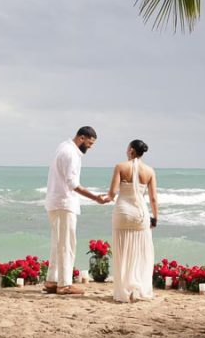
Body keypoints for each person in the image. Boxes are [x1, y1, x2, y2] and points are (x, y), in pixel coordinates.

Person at [44, 126, 109, 295]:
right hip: (64, 203)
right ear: (81, 138)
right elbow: (72, 183)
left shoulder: (63, 146)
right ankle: (64, 284)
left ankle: (52, 281)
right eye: (89, 143)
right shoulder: (71, 153)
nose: (90, 147)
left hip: (55, 202)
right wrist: (95, 197)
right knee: (67, 244)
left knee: (58, 243)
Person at [106, 139, 158, 303]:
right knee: (141, 254)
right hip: (140, 215)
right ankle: (138, 288)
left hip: (122, 213)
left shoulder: (120, 167)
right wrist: (155, 218)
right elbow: (153, 198)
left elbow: (112, 193)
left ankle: (124, 290)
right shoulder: (149, 171)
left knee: (122, 253)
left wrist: (102, 198)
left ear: (131, 150)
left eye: (127, 148)